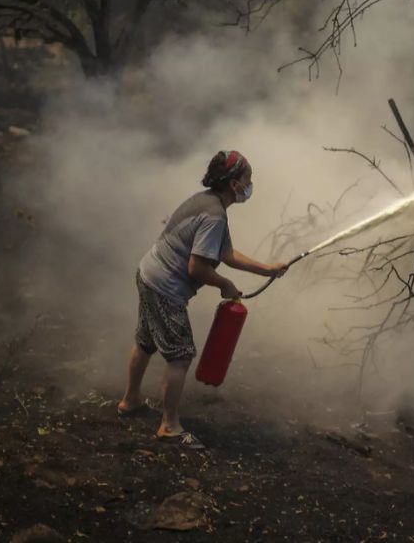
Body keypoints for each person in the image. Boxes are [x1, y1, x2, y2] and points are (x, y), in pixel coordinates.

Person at [117, 150, 287, 448]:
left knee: (145, 341)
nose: (251, 184)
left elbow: (225, 253)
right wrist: (225, 284)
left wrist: (267, 269)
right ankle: (169, 427)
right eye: (248, 179)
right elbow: (197, 268)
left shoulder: (206, 201)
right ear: (235, 184)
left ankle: (130, 401)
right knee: (180, 356)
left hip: (147, 273)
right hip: (165, 288)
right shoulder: (215, 216)